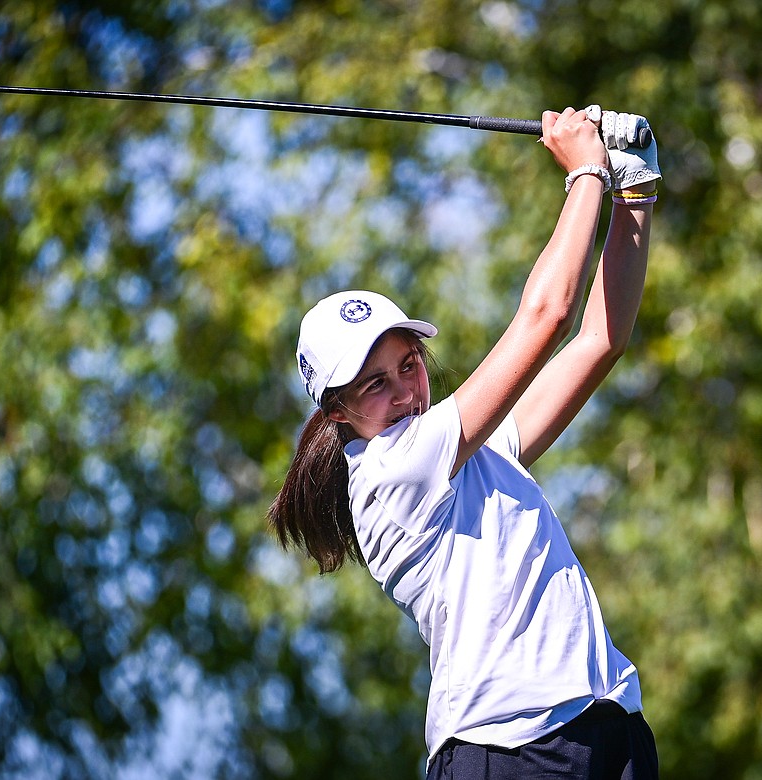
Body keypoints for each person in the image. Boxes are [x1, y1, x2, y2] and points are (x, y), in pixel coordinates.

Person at [269, 105, 661, 779]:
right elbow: (546, 315)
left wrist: (633, 191)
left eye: (408, 366)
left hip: (605, 734)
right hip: (509, 752)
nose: (402, 392)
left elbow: (598, 340)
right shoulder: (392, 470)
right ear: (338, 416)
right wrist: (585, 172)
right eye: (373, 386)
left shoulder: (474, 452)